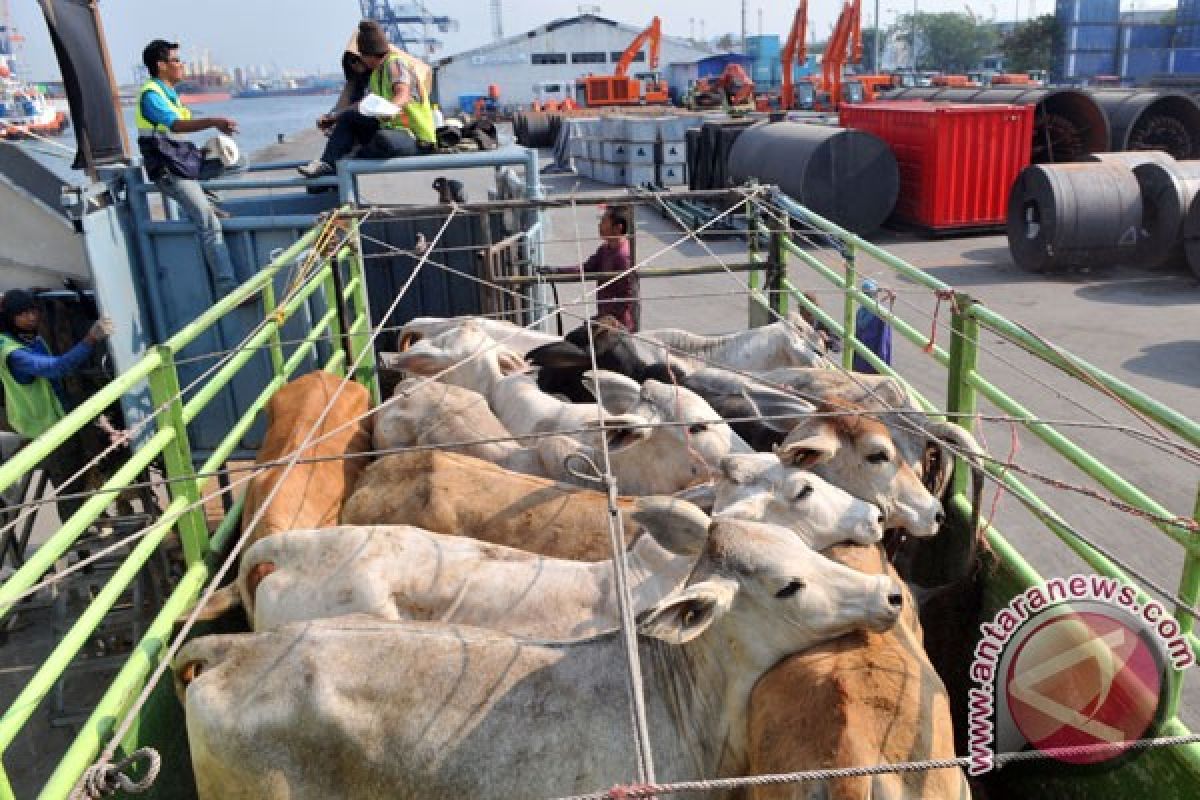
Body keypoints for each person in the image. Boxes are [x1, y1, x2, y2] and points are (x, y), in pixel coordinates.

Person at [136, 38, 244, 298]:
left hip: (182, 160)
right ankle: (228, 288)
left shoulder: (170, 94)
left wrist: (216, 137)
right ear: (161, 66)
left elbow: (182, 126)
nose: (181, 65)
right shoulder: (152, 94)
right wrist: (213, 121)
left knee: (237, 161)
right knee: (208, 223)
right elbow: (174, 126)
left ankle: (208, 201)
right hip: (168, 169)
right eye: (176, 61)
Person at [0, 289, 115, 523]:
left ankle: (92, 520)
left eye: (33, 311)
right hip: (42, 429)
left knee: (86, 468)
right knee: (69, 486)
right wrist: (90, 339)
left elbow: (54, 383)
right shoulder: (12, 352)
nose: (31, 317)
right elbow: (56, 368)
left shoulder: (32, 339)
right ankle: (76, 543)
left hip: (57, 418)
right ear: (10, 317)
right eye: (23, 313)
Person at [299, 20, 436, 177]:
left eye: (362, 56)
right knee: (350, 117)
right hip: (394, 131)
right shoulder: (376, 74)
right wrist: (335, 117)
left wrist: (391, 108)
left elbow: (403, 94)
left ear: (368, 55)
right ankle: (328, 163)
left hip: (415, 138)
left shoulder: (395, 63)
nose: (362, 61)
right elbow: (364, 104)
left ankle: (348, 161)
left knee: (381, 139)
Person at [539, 207, 639, 332]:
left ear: (618, 228)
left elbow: (627, 297)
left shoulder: (623, 256)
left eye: (604, 221)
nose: (599, 225)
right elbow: (586, 268)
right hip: (606, 319)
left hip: (618, 325)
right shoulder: (605, 249)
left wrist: (605, 320)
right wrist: (556, 271)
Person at [852, 279, 893, 373]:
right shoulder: (878, 314)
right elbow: (888, 318)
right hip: (874, 350)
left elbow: (874, 304)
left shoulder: (861, 311)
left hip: (860, 353)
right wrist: (891, 301)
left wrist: (887, 296)